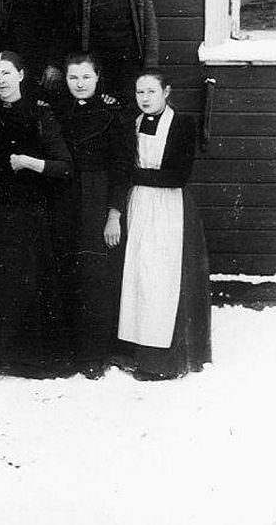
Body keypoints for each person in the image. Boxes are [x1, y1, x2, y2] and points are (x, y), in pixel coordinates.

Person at [0, 51, 73, 377]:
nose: (1, 80)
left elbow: (63, 166)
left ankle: (25, 358)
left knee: (24, 283)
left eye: (7, 73)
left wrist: (28, 162)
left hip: (25, 213)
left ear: (21, 75)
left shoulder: (39, 114)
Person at [117, 70, 211, 380]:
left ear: (166, 92)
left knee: (161, 280)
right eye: (139, 93)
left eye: (151, 92)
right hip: (140, 205)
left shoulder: (182, 124)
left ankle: (164, 362)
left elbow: (177, 175)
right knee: (138, 276)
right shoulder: (134, 123)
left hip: (168, 208)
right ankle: (136, 352)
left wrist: (136, 175)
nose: (144, 98)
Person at [54, 53, 132, 378]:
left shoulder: (113, 114)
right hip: (66, 196)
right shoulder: (59, 111)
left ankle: (95, 354)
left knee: (95, 275)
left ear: (98, 77)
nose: (80, 84)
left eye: (86, 77)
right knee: (68, 270)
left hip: (98, 196)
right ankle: (70, 350)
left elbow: (122, 168)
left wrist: (114, 214)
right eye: (73, 78)